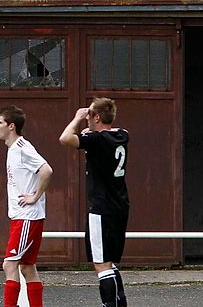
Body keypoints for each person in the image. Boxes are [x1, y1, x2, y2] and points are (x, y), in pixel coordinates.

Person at [59, 98, 129, 307]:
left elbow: (64, 138)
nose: (87, 118)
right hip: (120, 205)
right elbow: (112, 129)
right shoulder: (122, 135)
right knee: (110, 262)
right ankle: (120, 303)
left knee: (101, 264)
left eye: (90, 115)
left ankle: (110, 304)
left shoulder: (97, 140)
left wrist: (77, 118)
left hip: (101, 207)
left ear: (96, 117)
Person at [0, 105, 52, 307]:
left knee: (9, 265)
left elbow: (46, 170)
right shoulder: (13, 149)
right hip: (23, 217)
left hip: (27, 217)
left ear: (11, 126)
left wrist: (35, 196)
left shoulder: (22, 148)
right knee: (28, 267)